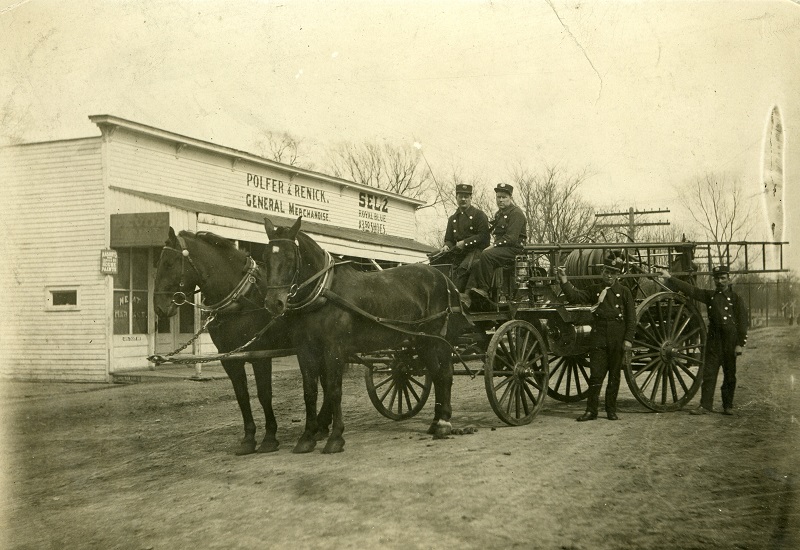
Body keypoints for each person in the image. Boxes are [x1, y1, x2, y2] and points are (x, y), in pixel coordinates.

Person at [556, 254, 636, 421]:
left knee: (614, 375)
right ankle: (591, 411)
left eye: (613, 273)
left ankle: (611, 410)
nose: (609, 275)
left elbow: (631, 318)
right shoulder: (594, 290)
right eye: (607, 271)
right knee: (596, 375)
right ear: (602, 272)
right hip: (598, 336)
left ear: (618, 275)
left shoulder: (625, 292)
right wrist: (564, 281)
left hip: (617, 337)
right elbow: (576, 297)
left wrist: (628, 339)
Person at [660, 265, 748, 415]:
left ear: (728, 278)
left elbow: (743, 323)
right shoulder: (711, 296)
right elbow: (692, 290)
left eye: (723, 278)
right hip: (714, 341)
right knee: (709, 374)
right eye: (717, 278)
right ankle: (705, 405)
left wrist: (740, 344)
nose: (720, 281)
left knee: (729, 375)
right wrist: (670, 278)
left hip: (730, 342)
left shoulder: (736, 299)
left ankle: (728, 405)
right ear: (714, 279)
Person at [465, 183, 527, 308]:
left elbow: (511, 238)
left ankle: (484, 290)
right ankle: (467, 294)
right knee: (477, 262)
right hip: (503, 249)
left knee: (487, 255)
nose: (501, 200)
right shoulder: (499, 214)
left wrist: (494, 246)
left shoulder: (516, 213)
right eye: (498, 197)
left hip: (514, 249)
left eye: (504, 197)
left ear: (510, 197)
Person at [435, 183, 490, 292]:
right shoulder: (453, 218)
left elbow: (483, 236)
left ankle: (461, 295)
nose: (463, 199)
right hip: (458, 252)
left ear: (471, 198)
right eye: (460, 196)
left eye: (466, 197)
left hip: (476, 251)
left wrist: (465, 242)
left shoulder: (479, 215)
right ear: (456, 198)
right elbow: (449, 239)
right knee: (438, 262)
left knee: (463, 269)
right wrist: (446, 246)